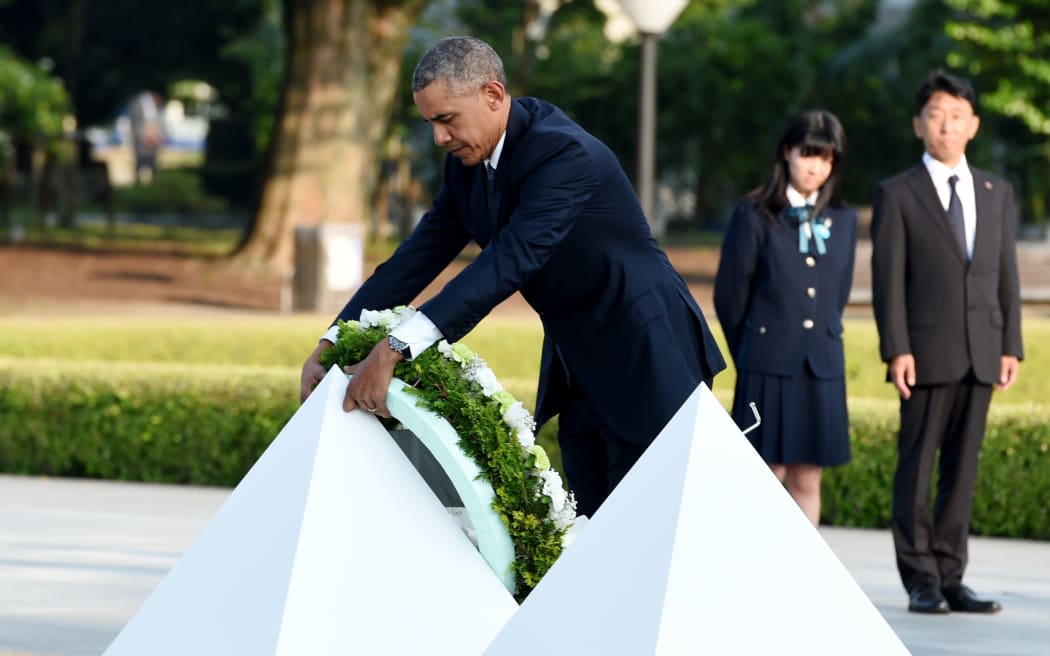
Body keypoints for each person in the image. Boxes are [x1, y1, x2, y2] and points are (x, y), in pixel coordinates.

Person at [298, 36, 726, 518]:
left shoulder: (564, 155)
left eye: (446, 120)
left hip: (649, 350)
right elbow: (414, 259)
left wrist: (398, 347)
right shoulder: (467, 165)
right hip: (578, 361)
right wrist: (335, 338)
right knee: (591, 521)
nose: (439, 138)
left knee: (652, 522)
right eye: (430, 123)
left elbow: (508, 261)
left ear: (493, 95)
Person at [870, 69, 1022, 615]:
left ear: (973, 125)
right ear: (919, 124)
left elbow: (1006, 274)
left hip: (983, 350)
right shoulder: (897, 193)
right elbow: (887, 280)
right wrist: (897, 349)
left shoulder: (996, 192)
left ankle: (952, 575)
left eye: (957, 116)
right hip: (925, 353)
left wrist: (1012, 345)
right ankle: (920, 579)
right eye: (936, 115)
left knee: (963, 469)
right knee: (916, 467)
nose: (946, 125)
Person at [714, 110, 856, 527]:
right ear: (787, 153)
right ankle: (751, 574)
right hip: (766, 364)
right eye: (808, 154)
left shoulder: (843, 220)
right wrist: (754, 349)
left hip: (821, 366)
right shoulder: (755, 213)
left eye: (827, 158)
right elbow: (730, 295)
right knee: (763, 474)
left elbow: (839, 292)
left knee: (808, 477)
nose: (816, 166)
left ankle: (801, 581)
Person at [127, 90, 164, 184]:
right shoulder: (137, 103)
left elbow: (157, 121)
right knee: (141, 161)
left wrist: (156, 135)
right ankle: (139, 181)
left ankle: (151, 182)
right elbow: (134, 122)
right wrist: (143, 135)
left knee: (151, 162)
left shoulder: (155, 105)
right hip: (142, 139)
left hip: (152, 139)